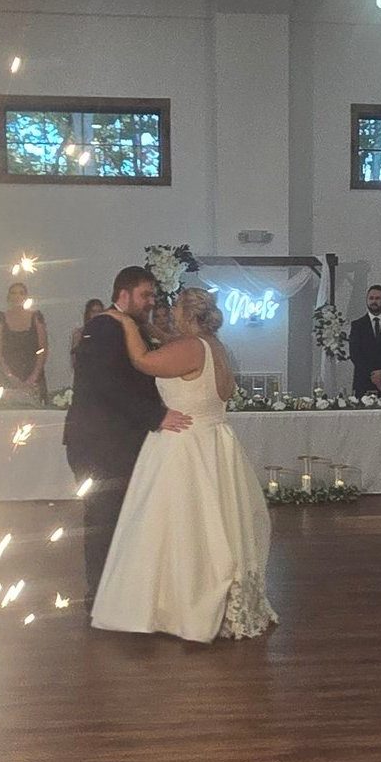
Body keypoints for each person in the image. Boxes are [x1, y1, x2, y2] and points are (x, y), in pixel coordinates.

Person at [91, 287, 277, 642]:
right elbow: (170, 346)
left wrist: (126, 323)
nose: (171, 309)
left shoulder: (191, 348)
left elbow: (143, 361)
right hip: (214, 441)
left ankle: (180, 607)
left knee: (179, 525)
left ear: (188, 313)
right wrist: (150, 328)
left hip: (185, 443)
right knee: (212, 524)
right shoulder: (213, 345)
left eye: (176, 305)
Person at [63, 266, 192, 609]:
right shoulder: (104, 327)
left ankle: (118, 590)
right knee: (103, 518)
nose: (151, 302)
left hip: (117, 441)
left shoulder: (130, 326)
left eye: (152, 296)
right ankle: (99, 596)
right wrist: (157, 415)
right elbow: (107, 385)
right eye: (145, 295)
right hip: (98, 444)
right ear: (124, 294)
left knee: (123, 516)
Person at [0, 280, 48, 403]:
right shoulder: (1, 318)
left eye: (21, 293)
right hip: (8, 373)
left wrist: (34, 377)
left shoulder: (36, 317)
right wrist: (10, 376)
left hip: (33, 372)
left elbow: (43, 348)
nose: (17, 296)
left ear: (26, 297)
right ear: (8, 296)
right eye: (13, 293)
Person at [70, 298, 105, 374]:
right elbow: (74, 357)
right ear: (88, 313)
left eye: (99, 311)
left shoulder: (107, 333)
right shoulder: (79, 333)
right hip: (85, 373)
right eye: (93, 312)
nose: (96, 315)